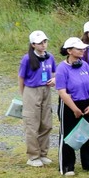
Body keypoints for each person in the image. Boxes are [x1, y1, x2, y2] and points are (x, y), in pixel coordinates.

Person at [55, 37, 89, 175]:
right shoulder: (62, 68)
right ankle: (67, 165)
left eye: (83, 48)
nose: (82, 50)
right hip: (69, 104)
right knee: (67, 134)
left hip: (86, 103)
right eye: (78, 48)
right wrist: (74, 108)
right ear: (69, 51)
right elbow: (62, 91)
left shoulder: (85, 65)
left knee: (86, 132)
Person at [19, 30, 57, 167]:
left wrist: (54, 80)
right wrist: (23, 95)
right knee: (32, 124)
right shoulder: (27, 59)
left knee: (46, 123)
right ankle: (33, 156)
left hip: (46, 90)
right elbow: (21, 78)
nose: (43, 45)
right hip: (32, 90)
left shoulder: (50, 57)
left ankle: (43, 153)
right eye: (40, 43)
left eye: (45, 42)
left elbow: (54, 72)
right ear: (33, 44)